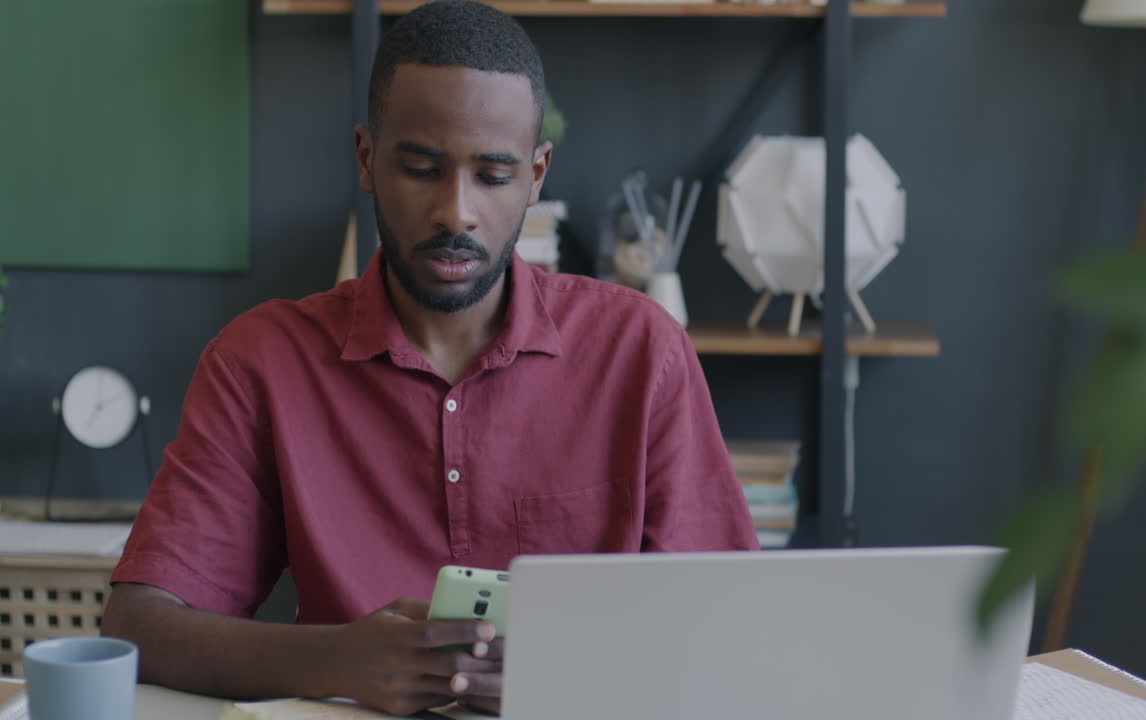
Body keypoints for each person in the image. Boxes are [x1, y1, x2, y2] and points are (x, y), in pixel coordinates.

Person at [100, 0, 758, 715]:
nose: (456, 213)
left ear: (538, 174)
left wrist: (565, 670)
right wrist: (339, 660)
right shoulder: (260, 362)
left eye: (494, 176)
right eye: (420, 168)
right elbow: (141, 626)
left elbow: (730, 625)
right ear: (365, 158)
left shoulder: (640, 351)